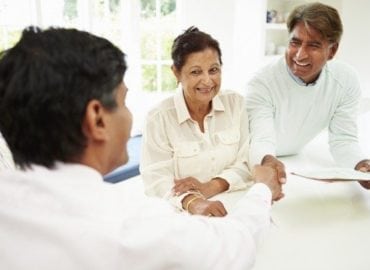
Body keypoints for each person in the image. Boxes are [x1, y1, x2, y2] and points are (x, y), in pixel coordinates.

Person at [0, 26, 282, 270]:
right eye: (123, 102)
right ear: (97, 119)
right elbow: (235, 245)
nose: (129, 115)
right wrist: (262, 190)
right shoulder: (134, 225)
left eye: (214, 69)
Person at [140, 27, 282, 217]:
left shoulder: (235, 104)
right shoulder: (159, 118)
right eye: (196, 72)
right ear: (176, 73)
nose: (207, 81)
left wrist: (209, 187)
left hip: (234, 204)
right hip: (180, 215)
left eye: (213, 70)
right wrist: (193, 202)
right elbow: (156, 179)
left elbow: (245, 162)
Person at [246, 2, 370, 189]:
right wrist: (268, 161)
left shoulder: (345, 80)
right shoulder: (262, 82)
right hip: (250, 159)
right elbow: (261, 139)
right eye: (295, 43)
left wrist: (360, 166)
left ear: (332, 51)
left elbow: (343, 139)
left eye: (313, 46)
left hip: (293, 157)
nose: (300, 55)